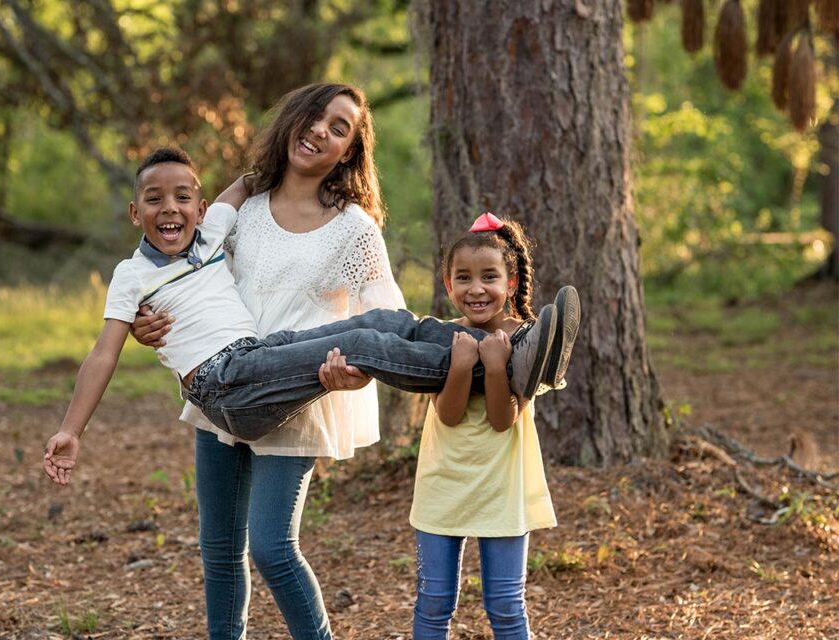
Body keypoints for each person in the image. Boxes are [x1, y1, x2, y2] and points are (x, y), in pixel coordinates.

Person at [123, 83, 568, 640]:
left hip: (299, 391)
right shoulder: (242, 209)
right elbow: (187, 276)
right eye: (317, 117)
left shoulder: (353, 226)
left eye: (340, 129)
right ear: (292, 119)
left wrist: (352, 375)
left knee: (271, 546)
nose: (321, 133)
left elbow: (386, 318)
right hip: (225, 380)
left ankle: (505, 359)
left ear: (349, 152)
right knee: (218, 546)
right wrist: (146, 325)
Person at [407, 213, 577, 640]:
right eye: (463, 277)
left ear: (512, 281)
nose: (476, 289)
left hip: (503, 486)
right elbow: (448, 414)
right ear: (448, 285)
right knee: (434, 602)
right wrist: (462, 364)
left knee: (504, 603)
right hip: (443, 483)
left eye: (489, 276)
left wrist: (497, 368)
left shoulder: (530, 339)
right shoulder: (442, 337)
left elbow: (504, 420)